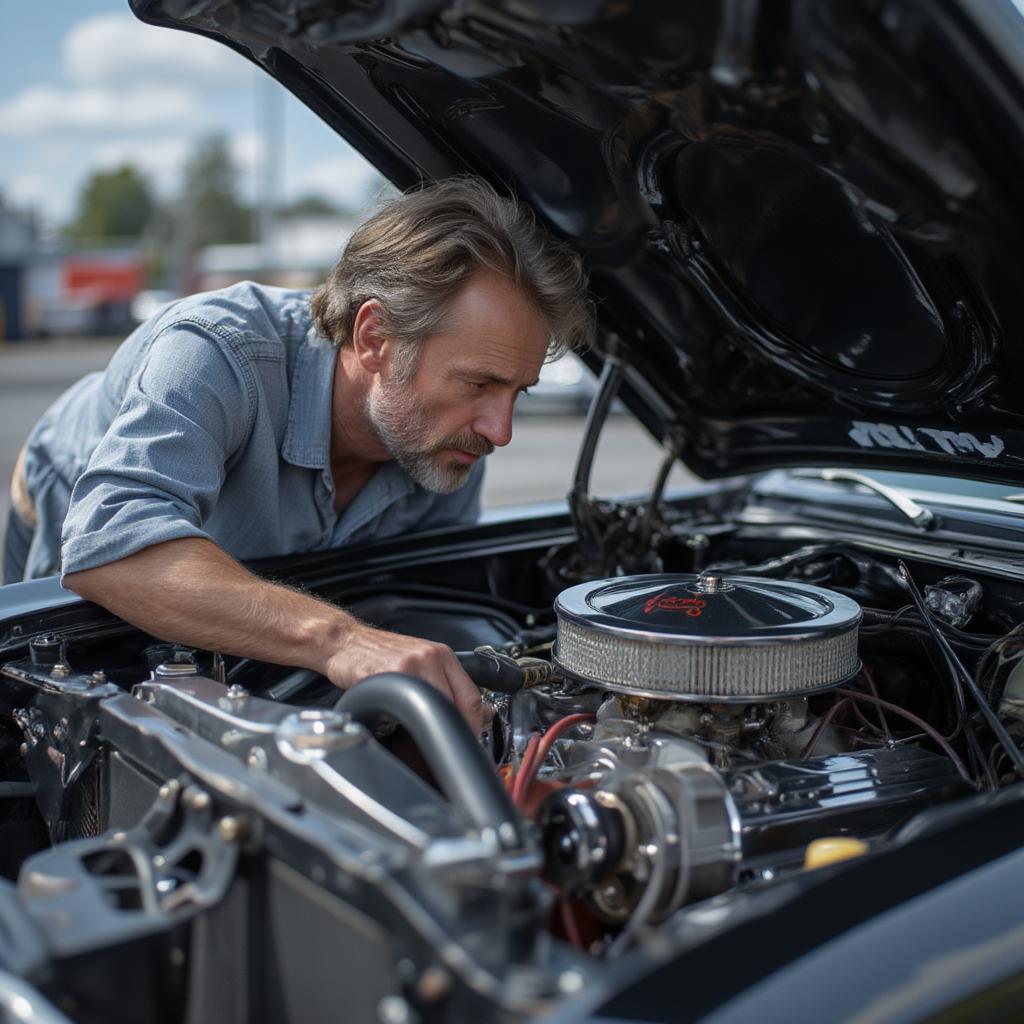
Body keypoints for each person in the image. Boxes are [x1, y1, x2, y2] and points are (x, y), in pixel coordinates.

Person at [4, 177, 592, 728]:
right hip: (62, 506)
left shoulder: (439, 444)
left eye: (517, 391)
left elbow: (409, 610)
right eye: (479, 384)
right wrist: (340, 640)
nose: (501, 430)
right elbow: (110, 545)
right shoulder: (216, 351)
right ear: (375, 340)